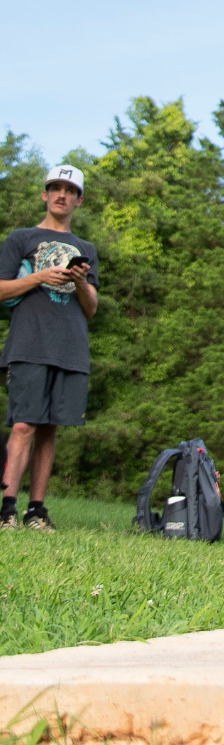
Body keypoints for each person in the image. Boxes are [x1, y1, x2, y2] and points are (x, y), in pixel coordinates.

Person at [0, 165, 99, 533]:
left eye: (69, 190)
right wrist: (40, 276)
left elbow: (90, 308)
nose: (62, 194)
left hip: (71, 347)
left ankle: (36, 511)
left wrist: (81, 282)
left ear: (79, 199)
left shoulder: (86, 248)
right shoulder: (20, 238)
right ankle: (6, 509)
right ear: (44, 195)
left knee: (50, 428)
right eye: (55, 188)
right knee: (24, 424)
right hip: (29, 344)